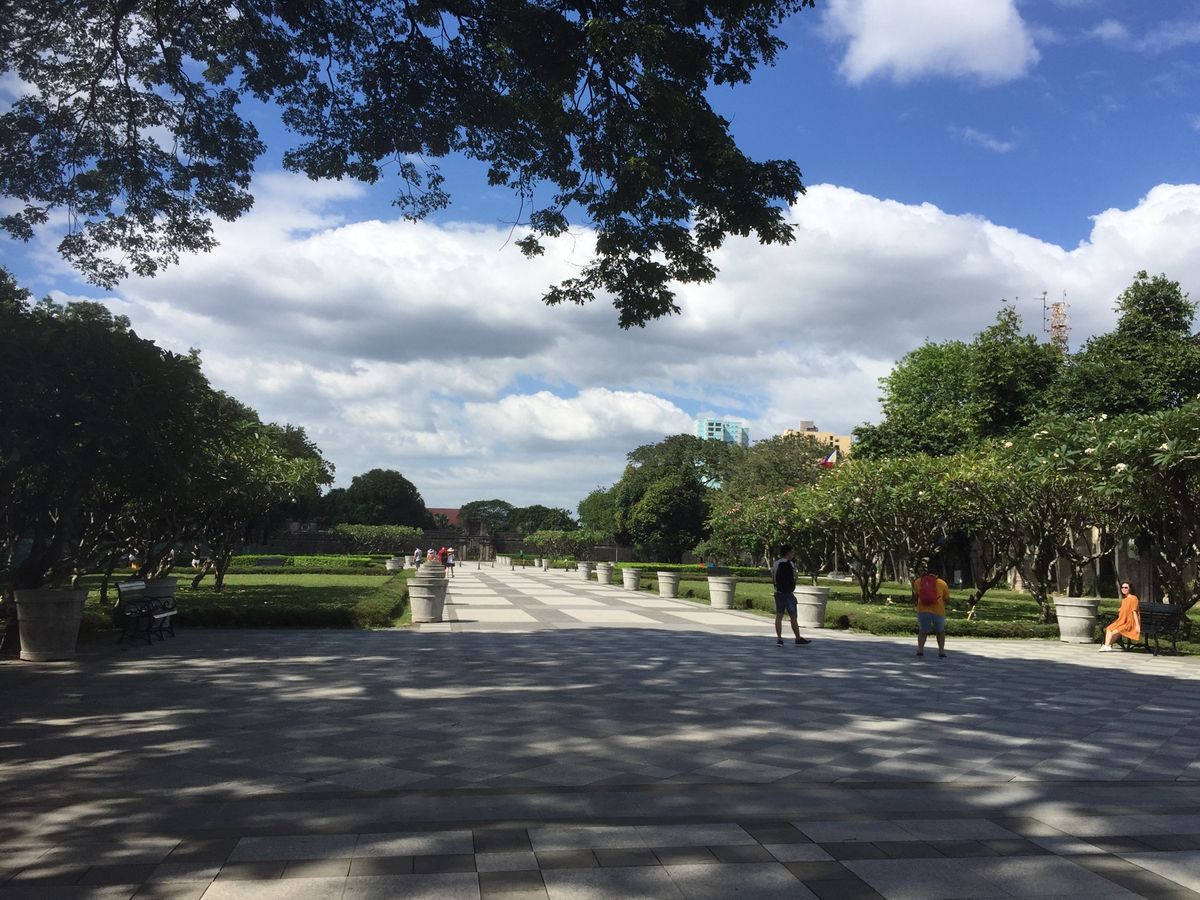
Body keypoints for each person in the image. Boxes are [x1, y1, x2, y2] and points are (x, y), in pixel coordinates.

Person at [771, 545, 811, 647]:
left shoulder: (776, 563)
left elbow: (773, 577)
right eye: (792, 552)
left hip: (778, 592)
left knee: (779, 616)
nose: (793, 554)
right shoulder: (791, 564)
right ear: (788, 553)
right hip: (788, 593)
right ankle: (798, 638)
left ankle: (779, 639)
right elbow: (795, 577)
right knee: (793, 616)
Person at [912, 566, 949, 658]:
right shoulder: (942, 583)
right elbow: (947, 599)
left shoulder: (918, 581)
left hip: (922, 609)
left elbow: (916, 595)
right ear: (937, 575)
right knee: (940, 631)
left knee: (923, 631)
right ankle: (941, 651)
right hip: (938, 610)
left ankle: (920, 650)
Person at [1101, 581, 1140, 651]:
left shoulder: (1134, 598)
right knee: (1109, 629)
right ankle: (1107, 646)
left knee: (1114, 632)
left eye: (1126, 587)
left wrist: (1137, 625)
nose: (1123, 589)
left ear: (1130, 589)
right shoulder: (1125, 599)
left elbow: (1134, 612)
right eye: (1122, 587)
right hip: (1121, 621)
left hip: (1129, 623)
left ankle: (1107, 645)